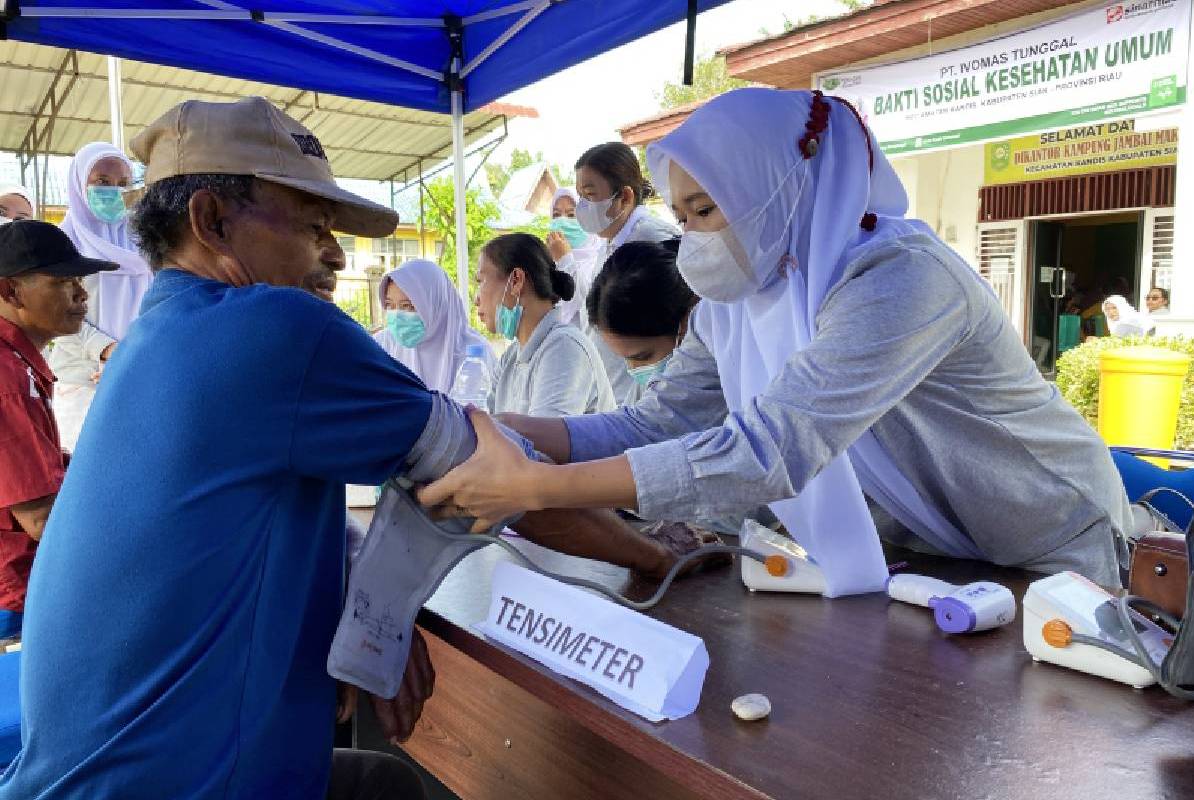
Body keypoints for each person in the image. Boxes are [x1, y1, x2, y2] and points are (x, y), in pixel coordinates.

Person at [1, 97, 707, 800]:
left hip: (82, 778)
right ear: (211, 222)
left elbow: (246, 515)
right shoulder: (272, 327)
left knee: (383, 783)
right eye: (313, 226)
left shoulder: (150, 339)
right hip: (188, 785)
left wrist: (371, 605)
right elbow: (499, 479)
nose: (336, 254)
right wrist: (655, 557)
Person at [418, 88, 1134, 595]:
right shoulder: (740, 300)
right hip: (933, 552)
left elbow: (772, 448)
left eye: (707, 211)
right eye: (683, 216)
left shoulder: (900, 279)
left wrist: (537, 486)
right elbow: (656, 422)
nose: (692, 239)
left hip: (1051, 542)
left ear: (779, 190)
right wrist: (504, 429)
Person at [0, 221, 116, 642]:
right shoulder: (8, 380)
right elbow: (41, 518)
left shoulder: (19, 363)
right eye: (64, 282)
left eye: (79, 281)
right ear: (12, 292)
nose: (82, 295)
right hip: (17, 588)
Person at [48, 142, 154, 450]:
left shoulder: (144, 242)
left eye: (123, 183)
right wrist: (108, 351)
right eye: (103, 181)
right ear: (80, 182)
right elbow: (54, 316)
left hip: (138, 371)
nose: (114, 191)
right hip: (82, 381)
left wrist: (133, 354)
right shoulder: (62, 245)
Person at [573, 143, 679, 401]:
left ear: (624, 197)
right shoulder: (608, 242)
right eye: (580, 196)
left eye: (590, 195)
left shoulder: (655, 241)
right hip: (616, 388)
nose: (581, 207)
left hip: (649, 387)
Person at [478, 232, 615, 417]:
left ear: (516, 280)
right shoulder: (511, 357)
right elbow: (485, 426)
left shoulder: (564, 347)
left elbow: (540, 435)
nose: (476, 299)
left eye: (481, 281)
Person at [585, 239, 695, 406]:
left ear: (684, 323)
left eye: (643, 356)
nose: (634, 370)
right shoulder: (651, 386)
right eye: (626, 360)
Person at [375, 258, 496, 394]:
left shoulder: (474, 354)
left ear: (437, 305)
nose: (397, 316)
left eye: (408, 306)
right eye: (389, 305)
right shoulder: (383, 344)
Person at [545, 187, 603, 330]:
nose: (562, 220)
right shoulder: (547, 263)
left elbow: (590, 303)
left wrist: (565, 259)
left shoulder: (602, 258)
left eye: (571, 215)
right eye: (556, 215)